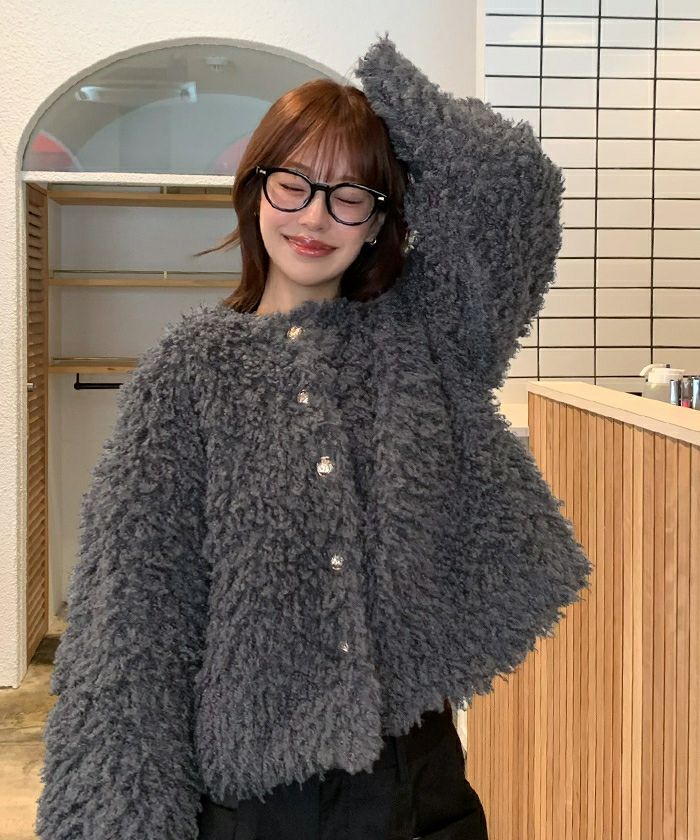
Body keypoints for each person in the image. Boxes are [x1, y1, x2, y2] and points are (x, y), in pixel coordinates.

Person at [35, 33, 592, 840]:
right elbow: (132, 624)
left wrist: (384, 87)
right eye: (293, 183)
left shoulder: (426, 339)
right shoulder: (189, 373)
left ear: (379, 219)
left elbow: (513, 190)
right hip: (255, 800)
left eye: (349, 195)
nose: (315, 216)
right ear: (255, 189)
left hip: (414, 778)